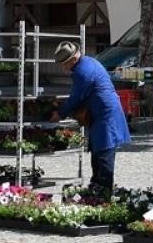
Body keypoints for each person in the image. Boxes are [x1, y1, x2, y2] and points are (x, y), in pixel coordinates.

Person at [54, 40, 131, 198]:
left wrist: (59, 113)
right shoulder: (88, 62)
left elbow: (76, 98)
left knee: (103, 159)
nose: (63, 68)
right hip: (103, 116)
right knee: (98, 156)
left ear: (73, 60)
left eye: (64, 64)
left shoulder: (82, 71)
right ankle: (98, 194)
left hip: (106, 119)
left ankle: (102, 197)